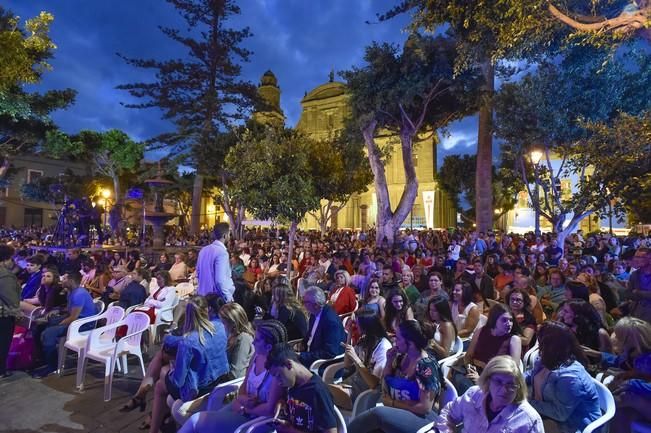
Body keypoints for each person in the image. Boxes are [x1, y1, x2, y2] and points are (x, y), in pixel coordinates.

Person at [178, 320, 287, 433]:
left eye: (257, 340)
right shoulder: (257, 355)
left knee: (196, 421)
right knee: (201, 423)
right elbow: (245, 383)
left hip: (255, 421)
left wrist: (246, 409)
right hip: (243, 407)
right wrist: (241, 399)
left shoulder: (277, 372)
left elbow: (270, 409)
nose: (253, 343)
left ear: (269, 347)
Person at [148, 296, 230, 433]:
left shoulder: (188, 342)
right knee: (165, 377)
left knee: (160, 384)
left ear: (187, 314)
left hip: (199, 390)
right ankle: (163, 422)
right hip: (221, 382)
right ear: (207, 310)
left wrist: (173, 369)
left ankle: (154, 429)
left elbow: (179, 381)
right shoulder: (220, 326)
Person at [347, 320, 443, 433]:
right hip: (399, 409)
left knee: (378, 414)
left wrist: (393, 403)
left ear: (410, 343)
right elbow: (384, 386)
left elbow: (424, 408)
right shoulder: (400, 357)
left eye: (398, 338)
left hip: (422, 418)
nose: (394, 341)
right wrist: (389, 361)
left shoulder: (426, 366)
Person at [526, 321, 601, 433]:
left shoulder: (570, 377)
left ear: (549, 345)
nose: (538, 345)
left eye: (540, 341)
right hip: (548, 411)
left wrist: (527, 402)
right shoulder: (546, 358)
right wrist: (514, 380)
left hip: (574, 423)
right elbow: (531, 374)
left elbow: (560, 413)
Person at [437, 355, 544, 433]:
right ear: (488, 381)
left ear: (519, 387)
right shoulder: (473, 395)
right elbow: (449, 413)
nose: (504, 390)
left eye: (511, 385)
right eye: (498, 382)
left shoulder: (529, 420)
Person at [33, 271, 96, 378]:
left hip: (82, 325)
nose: (62, 280)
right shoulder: (71, 292)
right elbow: (68, 310)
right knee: (39, 325)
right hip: (75, 321)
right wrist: (57, 311)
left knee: (49, 333)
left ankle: (52, 366)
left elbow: (73, 317)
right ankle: (44, 358)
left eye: (65, 279)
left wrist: (56, 324)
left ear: (71, 281)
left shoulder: (79, 294)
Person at [265, 343, 339, 433]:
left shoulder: (317, 391)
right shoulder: (292, 384)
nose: (279, 382)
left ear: (289, 364)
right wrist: (281, 405)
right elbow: (285, 402)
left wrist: (290, 430)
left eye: (279, 375)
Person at [328, 308, 392, 410]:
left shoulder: (383, 347)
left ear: (367, 327)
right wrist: (349, 334)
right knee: (322, 393)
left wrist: (356, 359)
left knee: (325, 397)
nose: (356, 327)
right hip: (353, 383)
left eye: (357, 324)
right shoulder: (364, 339)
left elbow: (374, 384)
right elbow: (347, 365)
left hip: (366, 393)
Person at [450, 303, 522, 395]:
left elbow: (513, 370)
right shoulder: (481, 331)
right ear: (495, 320)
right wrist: (469, 368)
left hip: (495, 378)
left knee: (469, 389)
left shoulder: (513, 339)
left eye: (511, 320)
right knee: (457, 379)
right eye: (504, 320)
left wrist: (481, 380)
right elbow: (468, 356)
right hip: (474, 371)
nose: (509, 324)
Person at [299, 286, 346, 367]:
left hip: (323, 364)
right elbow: (310, 334)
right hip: (312, 354)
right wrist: (303, 344)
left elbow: (329, 352)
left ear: (316, 305)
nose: (302, 304)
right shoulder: (314, 313)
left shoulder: (330, 322)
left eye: (305, 302)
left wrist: (302, 356)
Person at [196, 222, 235, 302]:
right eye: (229, 234)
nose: (230, 237)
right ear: (225, 235)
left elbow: (198, 272)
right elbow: (220, 280)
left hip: (202, 295)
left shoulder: (203, 250)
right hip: (215, 299)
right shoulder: (222, 253)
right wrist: (229, 298)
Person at [218, 302, 254, 379]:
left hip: (234, 384)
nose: (221, 325)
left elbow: (235, 373)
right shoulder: (233, 334)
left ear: (233, 323)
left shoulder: (243, 339)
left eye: (223, 323)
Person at [0, 244, 20, 378]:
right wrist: (18, 314)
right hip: (4, 315)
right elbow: (11, 299)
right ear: (6, 259)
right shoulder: (5, 276)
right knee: (3, 342)